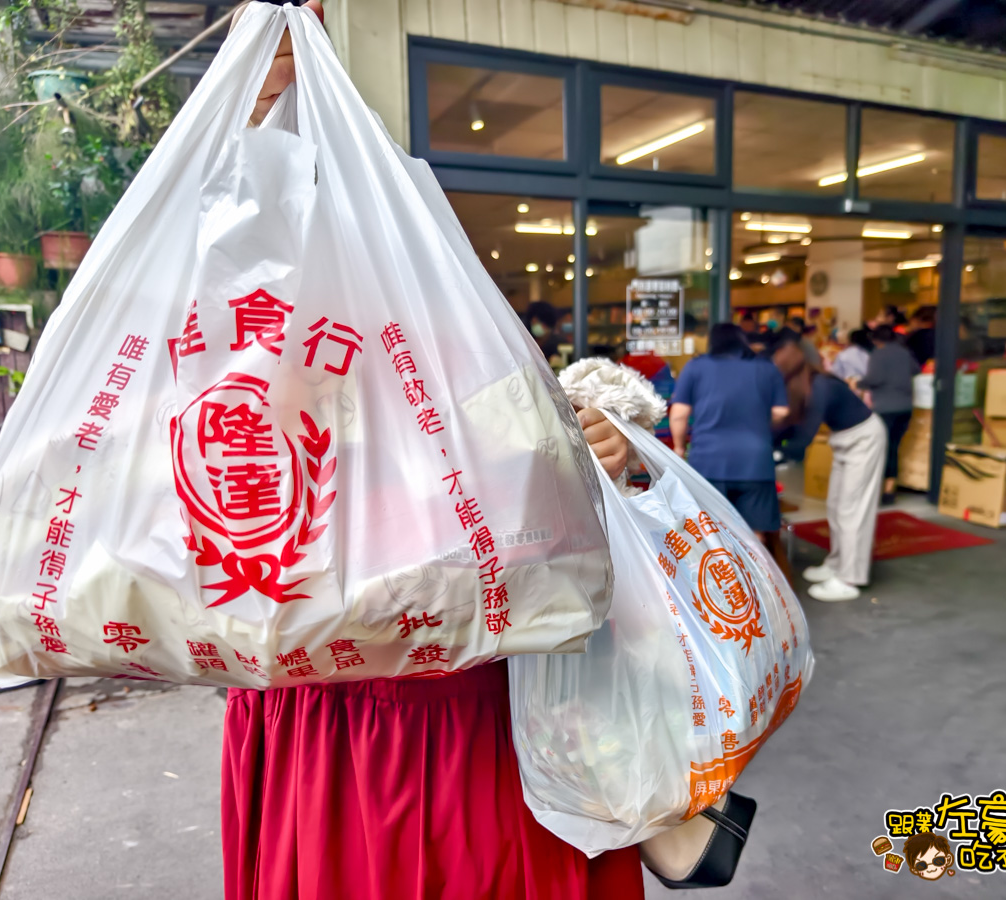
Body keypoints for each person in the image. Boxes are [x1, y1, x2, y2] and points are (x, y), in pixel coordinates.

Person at [222, 6, 646, 898]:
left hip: (481, 714)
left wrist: (599, 459)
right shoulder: (241, 361)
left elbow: (551, 495)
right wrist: (258, 101)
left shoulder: (467, 357)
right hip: (336, 716)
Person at [669, 324, 790, 576]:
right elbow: (781, 412)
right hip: (755, 463)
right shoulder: (766, 368)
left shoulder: (696, 367)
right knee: (755, 537)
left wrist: (679, 448)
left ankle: (723, 596)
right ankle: (758, 592)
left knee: (710, 533)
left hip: (708, 462)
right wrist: (758, 424)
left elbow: (679, 414)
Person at [780, 367, 887, 602]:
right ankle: (837, 563)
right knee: (836, 506)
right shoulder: (811, 384)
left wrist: (777, 450)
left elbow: (805, 434)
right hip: (845, 441)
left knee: (852, 511)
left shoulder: (820, 387)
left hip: (864, 440)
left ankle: (849, 579)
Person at [859, 325, 919, 503]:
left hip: (885, 409)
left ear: (876, 340)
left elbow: (874, 379)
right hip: (905, 408)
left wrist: (858, 383)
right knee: (894, 448)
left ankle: (878, 491)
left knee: (881, 450)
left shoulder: (878, 354)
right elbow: (916, 370)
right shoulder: (904, 352)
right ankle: (890, 489)